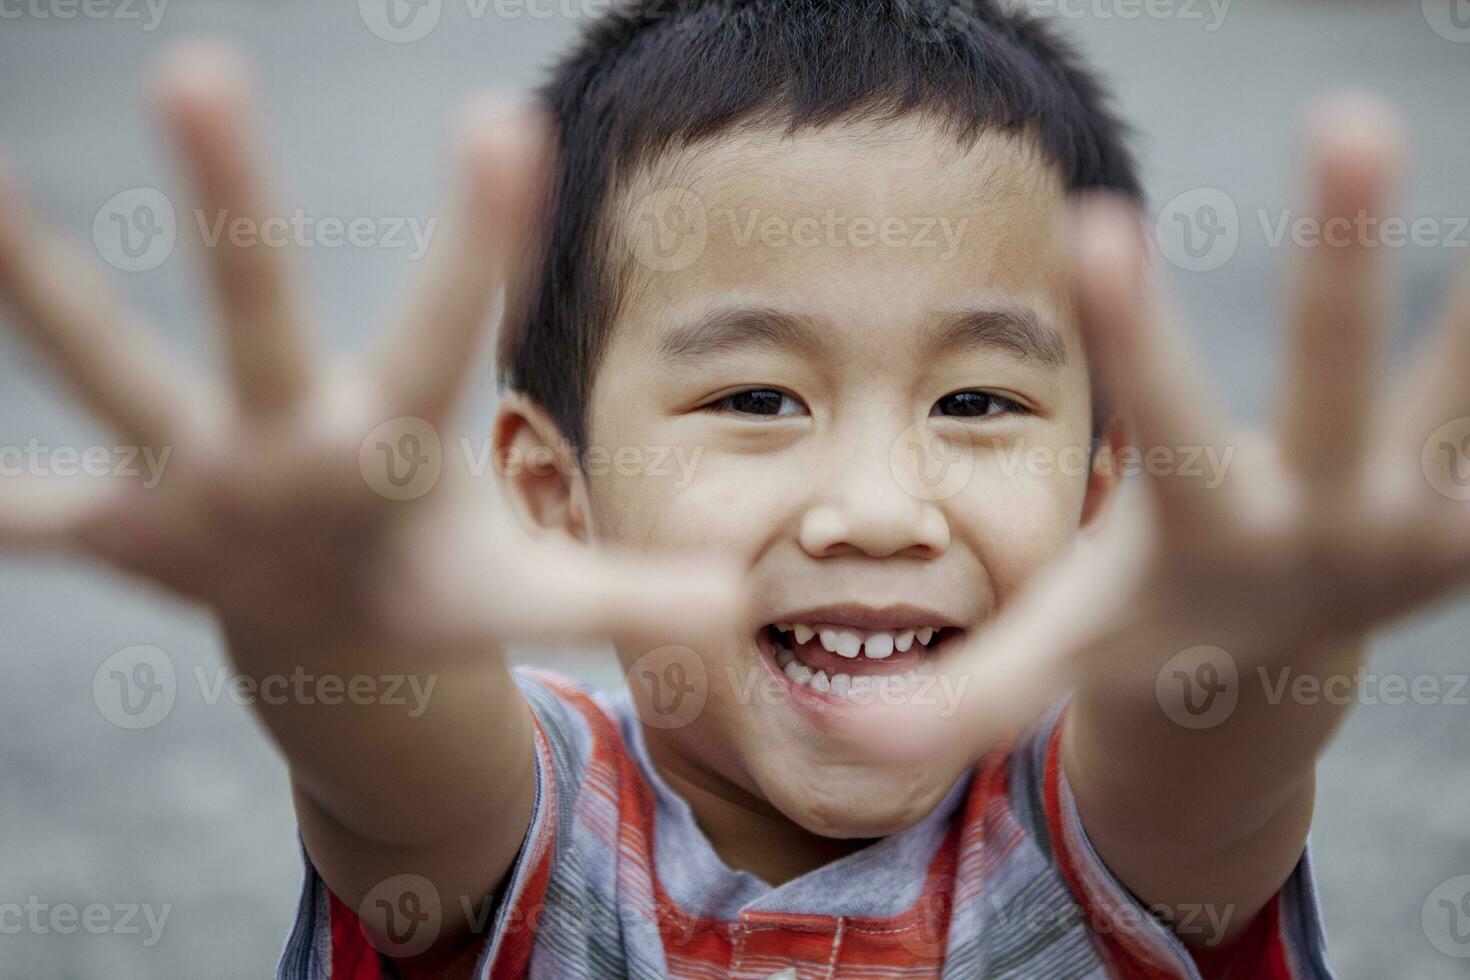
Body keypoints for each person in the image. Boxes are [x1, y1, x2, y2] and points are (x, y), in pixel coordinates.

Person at [1, 2, 1466, 977]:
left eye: (977, 403)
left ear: (1102, 497)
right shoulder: (515, 831)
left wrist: (1270, 633)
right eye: (756, 399)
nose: (879, 507)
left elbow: (1204, 747)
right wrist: (321, 609)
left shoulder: (1113, 846)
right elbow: (392, 750)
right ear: (550, 486)